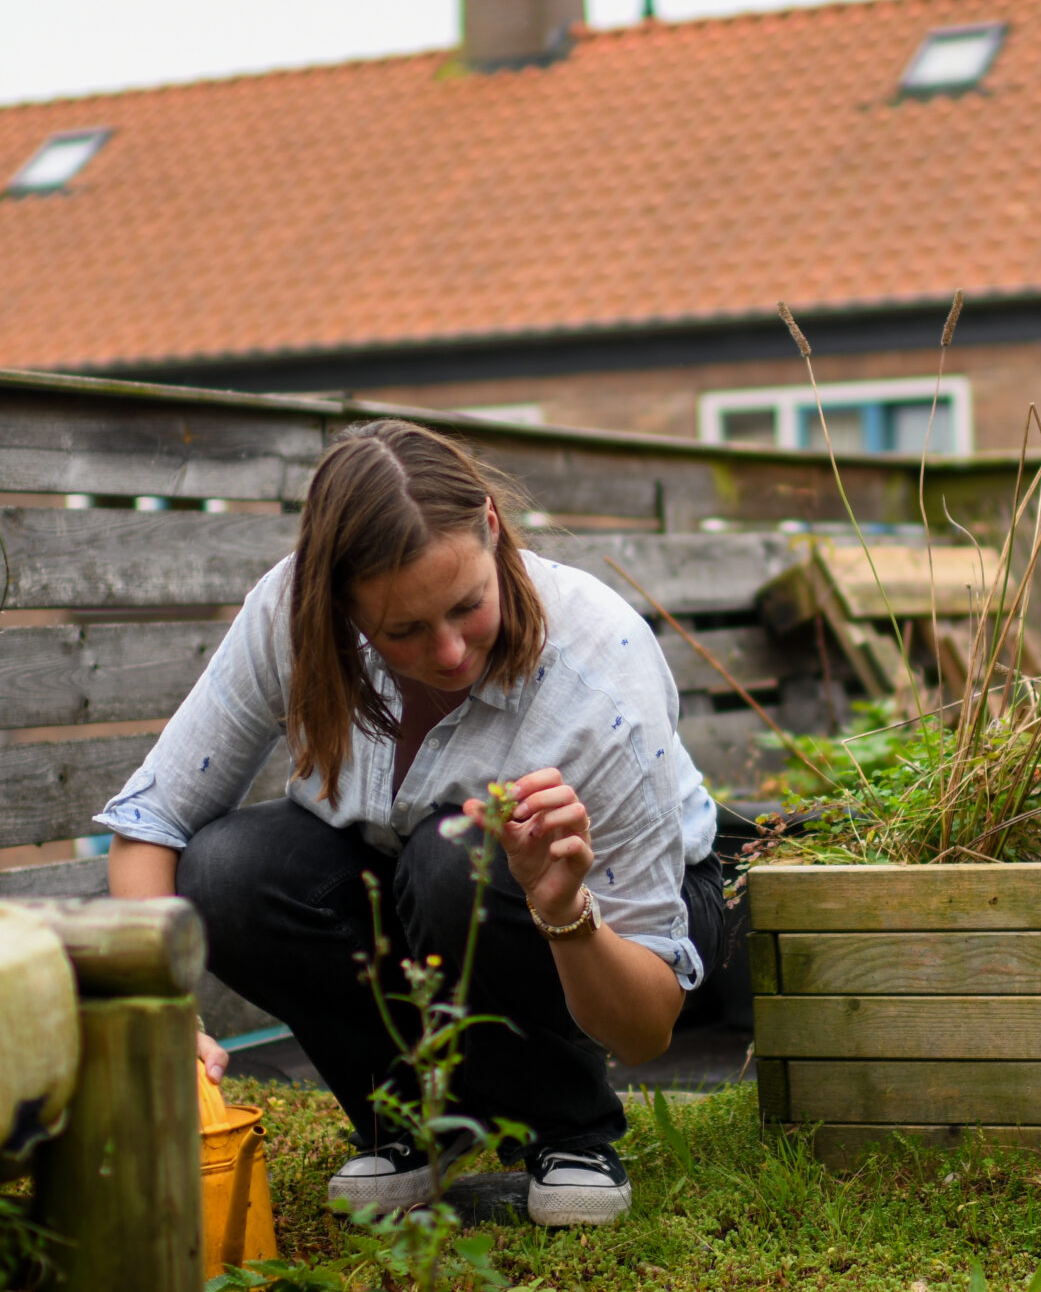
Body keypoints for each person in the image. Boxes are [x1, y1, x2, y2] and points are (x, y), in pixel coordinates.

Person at [97, 419, 722, 1228]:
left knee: (453, 853)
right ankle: (417, 1118)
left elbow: (648, 1028)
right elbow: (151, 818)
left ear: (491, 528)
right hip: (412, 887)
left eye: (468, 605)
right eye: (403, 632)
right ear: (342, 608)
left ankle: (568, 1126)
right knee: (224, 870)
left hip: (621, 921)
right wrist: (158, 1008)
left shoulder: (600, 670)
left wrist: (565, 912)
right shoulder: (291, 614)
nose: (453, 652)